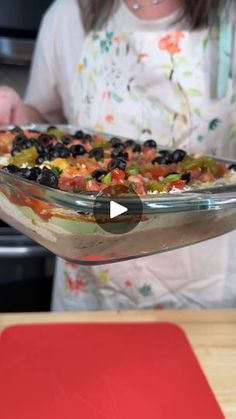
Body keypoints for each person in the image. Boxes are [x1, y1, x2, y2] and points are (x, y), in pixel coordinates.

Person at [0, 0, 236, 311]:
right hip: (88, 288)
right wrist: (15, 114)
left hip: (199, 296)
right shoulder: (67, 13)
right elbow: (49, 126)